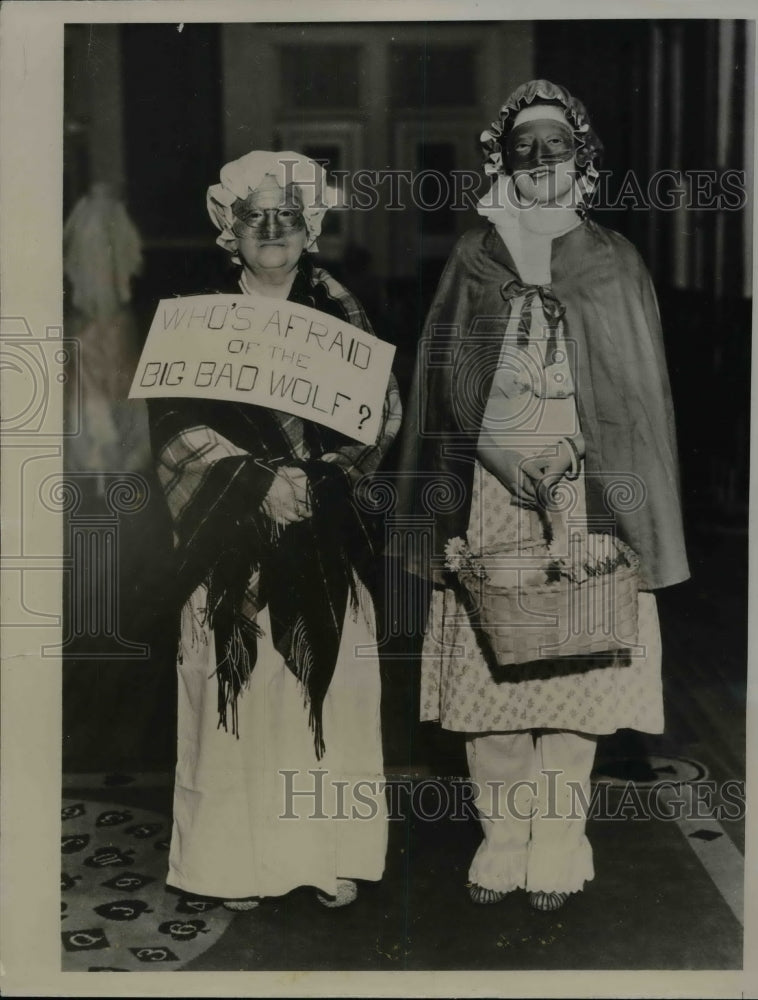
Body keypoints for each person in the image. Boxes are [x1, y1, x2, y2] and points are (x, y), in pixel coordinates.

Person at [397, 80, 689, 912]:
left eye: (554, 146)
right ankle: (503, 837)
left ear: (580, 157)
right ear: (502, 162)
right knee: (496, 683)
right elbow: (441, 386)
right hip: (489, 493)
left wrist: (581, 451)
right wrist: (494, 448)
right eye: (524, 149)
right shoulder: (474, 258)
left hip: (588, 497)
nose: (539, 163)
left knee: (575, 677)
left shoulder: (614, 262)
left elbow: (635, 396)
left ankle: (560, 840)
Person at [147, 151, 402, 910]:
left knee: (333, 683)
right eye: (255, 215)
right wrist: (256, 484)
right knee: (241, 688)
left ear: (310, 229)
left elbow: (380, 415)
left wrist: (314, 485)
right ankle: (233, 865)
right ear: (230, 229)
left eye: (287, 215)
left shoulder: (345, 314)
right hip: (232, 540)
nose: (272, 229)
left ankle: (332, 854)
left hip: (322, 524)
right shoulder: (194, 316)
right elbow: (168, 422)